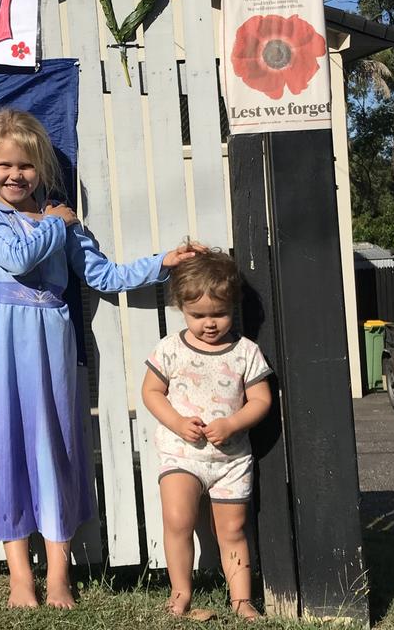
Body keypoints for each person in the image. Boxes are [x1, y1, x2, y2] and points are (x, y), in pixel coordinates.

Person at [0, 107, 199, 609]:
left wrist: (163, 263)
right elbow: (17, 257)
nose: (14, 176)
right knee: (7, 447)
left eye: (25, 166)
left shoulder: (61, 223)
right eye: (4, 166)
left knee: (53, 447)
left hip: (51, 341)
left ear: (42, 170)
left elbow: (104, 276)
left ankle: (56, 577)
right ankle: (19, 577)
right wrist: (55, 222)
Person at [141, 250, 272, 621]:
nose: (210, 324)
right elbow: (151, 392)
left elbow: (261, 399)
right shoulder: (170, 349)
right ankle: (180, 593)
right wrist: (178, 422)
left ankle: (242, 600)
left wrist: (233, 424)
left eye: (219, 314)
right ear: (181, 307)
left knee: (232, 529)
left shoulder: (246, 352)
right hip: (182, 453)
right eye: (198, 315)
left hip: (230, 460)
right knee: (178, 519)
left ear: (234, 306)